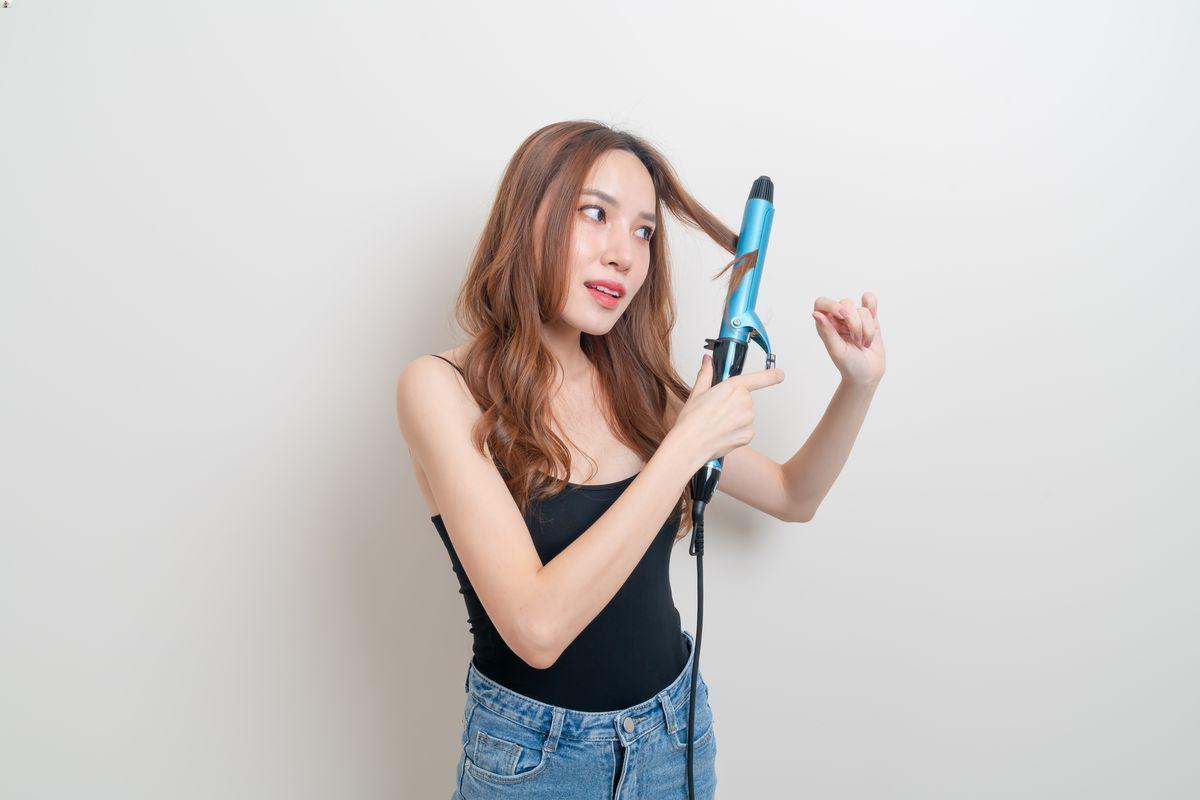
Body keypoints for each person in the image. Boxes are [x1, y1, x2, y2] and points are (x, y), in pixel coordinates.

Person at [395, 119, 885, 799]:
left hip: (672, 738)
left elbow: (793, 495)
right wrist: (684, 447)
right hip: (536, 763)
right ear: (527, 217)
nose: (624, 255)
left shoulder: (635, 388)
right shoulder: (440, 389)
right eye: (595, 213)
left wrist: (858, 385)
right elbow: (536, 629)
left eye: (644, 231)